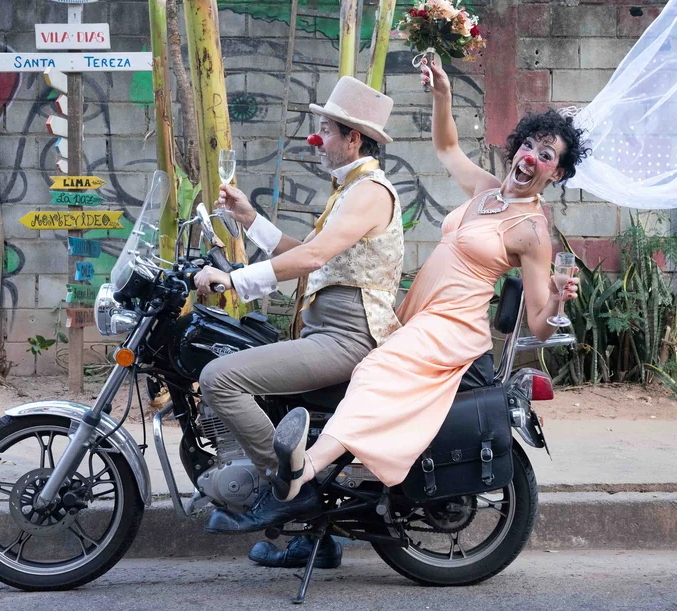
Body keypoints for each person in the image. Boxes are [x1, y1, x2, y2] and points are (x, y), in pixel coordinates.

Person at [248, 57, 582, 526]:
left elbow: (537, 326)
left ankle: (302, 474)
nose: (530, 157)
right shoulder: (487, 192)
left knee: (371, 373)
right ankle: (316, 534)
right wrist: (442, 90)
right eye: (529, 144)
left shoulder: (531, 230)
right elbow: (447, 147)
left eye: (546, 156)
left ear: (557, 175)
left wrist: (558, 300)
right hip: (418, 314)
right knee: (351, 389)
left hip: (452, 327)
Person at [193, 77, 405, 569]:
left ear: (353, 137)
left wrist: (232, 280)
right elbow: (308, 256)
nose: (319, 139)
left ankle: (286, 490)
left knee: (218, 378)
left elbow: (313, 254)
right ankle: (317, 538)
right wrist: (249, 219)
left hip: (348, 336)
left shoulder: (369, 192)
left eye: (326, 130)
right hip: (325, 331)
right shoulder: (350, 190)